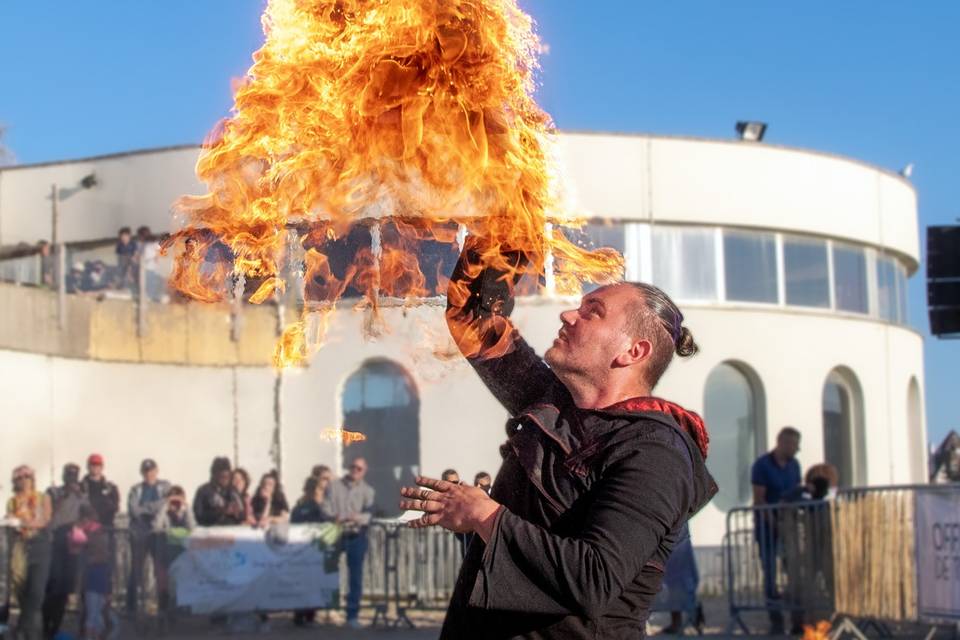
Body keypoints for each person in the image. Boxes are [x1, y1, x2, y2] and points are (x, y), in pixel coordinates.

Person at [398, 240, 716, 639]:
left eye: (591, 313)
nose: (567, 315)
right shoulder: (551, 403)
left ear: (633, 351)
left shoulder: (656, 451)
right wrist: (496, 243)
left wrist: (483, 515)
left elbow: (593, 578)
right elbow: (472, 321)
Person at [751, 427, 803, 636]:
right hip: (767, 528)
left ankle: (797, 620)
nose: (797, 449)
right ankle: (776, 621)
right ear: (782, 442)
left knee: (795, 574)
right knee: (771, 575)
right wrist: (774, 524)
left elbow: (797, 492)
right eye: (793, 444)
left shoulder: (794, 465)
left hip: (789, 528)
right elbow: (759, 499)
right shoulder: (762, 466)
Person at [323, 457, 375, 629]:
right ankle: (331, 610)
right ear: (349, 467)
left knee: (355, 577)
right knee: (330, 572)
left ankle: (352, 615)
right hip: (336, 533)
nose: (355, 470)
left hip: (356, 534)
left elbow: (369, 514)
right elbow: (325, 507)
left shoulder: (368, 491)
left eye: (359, 468)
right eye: (353, 467)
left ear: (364, 471)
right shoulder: (334, 486)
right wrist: (333, 516)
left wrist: (356, 518)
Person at [43, 463, 91, 638]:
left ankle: (54, 628)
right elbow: (48, 513)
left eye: (74, 475)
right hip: (53, 542)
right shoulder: (53, 491)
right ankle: (44, 625)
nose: (71, 479)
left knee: (64, 589)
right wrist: (64, 496)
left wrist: (80, 496)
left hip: (71, 545)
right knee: (51, 587)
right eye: (69, 475)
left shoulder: (81, 495)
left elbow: (89, 514)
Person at [5, 465, 52, 640]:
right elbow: (10, 518)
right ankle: (29, 632)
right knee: (21, 589)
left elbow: (45, 520)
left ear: (32, 479)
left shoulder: (42, 497)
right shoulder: (12, 501)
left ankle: (23, 630)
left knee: (36, 593)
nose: (24, 480)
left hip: (39, 545)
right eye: (20, 478)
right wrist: (12, 522)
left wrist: (22, 523)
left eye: (27, 477)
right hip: (20, 545)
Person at [126, 458, 170, 614]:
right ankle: (131, 608)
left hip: (158, 534)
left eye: (151, 471)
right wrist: (153, 508)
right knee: (136, 570)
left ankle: (164, 608)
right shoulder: (135, 489)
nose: (149, 474)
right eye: (146, 471)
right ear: (142, 473)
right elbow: (133, 510)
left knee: (161, 571)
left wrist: (145, 508)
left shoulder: (165, 486)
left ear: (157, 471)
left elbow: (166, 503)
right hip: (139, 534)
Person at [291, 473, 334, 627]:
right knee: (302, 581)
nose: (314, 493)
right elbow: (294, 525)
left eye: (317, 490)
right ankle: (299, 614)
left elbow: (327, 524)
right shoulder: (299, 508)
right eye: (311, 490)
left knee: (314, 582)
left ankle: (310, 615)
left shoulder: (321, 508)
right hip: (302, 549)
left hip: (316, 549)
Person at [656, 522, 704, 635]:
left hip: (677, 535)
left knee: (678, 579)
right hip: (673, 534)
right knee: (674, 580)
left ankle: (691, 615)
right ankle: (678, 621)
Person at [72, 504, 111, 640]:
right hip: (92, 575)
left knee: (97, 611)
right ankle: (90, 635)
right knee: (93, 611)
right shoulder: (84, 532)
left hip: (98, 573)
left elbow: (102, 553)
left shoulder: (96, 531)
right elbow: (76, 549)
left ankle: (94, 635)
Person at [154, 486, 195, 612]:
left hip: (183, 554)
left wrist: (185, 508)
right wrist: (165, 507)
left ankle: (183, 609)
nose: (175, 503)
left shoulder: (185, 511)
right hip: (167, 554)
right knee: (167, 586)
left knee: (182, 583)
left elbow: (192, 527)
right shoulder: (165, 512)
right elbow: (156, 527)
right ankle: (167, 612)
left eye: (178, 499)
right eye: (173, 500)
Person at [193, 457, 245, 527]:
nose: (225, 479)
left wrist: (237, 512)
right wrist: (222, 512)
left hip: (231, 532)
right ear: (214, 474)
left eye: (228, 476)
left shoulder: (233, 491)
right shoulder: (203, 491)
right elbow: (198, 516)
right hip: (210, 532)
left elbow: (242, 515)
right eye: (222, 476)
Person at [81, 454, 119, 528]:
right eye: (92, 464)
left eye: (98, 464)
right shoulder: (81, 487)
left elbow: (115, 507)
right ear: (88, 466)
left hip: (106, 527)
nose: (95, 467)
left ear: (102, 467)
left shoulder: (111, 488)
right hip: (86, 529)